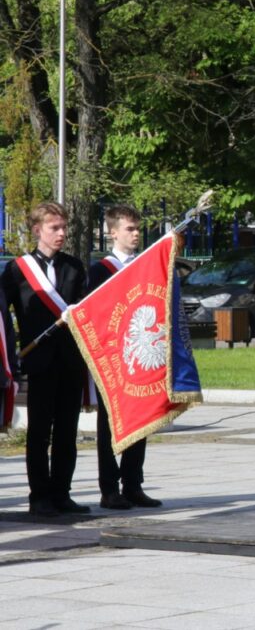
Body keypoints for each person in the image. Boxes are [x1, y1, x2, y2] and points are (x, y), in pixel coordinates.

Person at [2, 202, 88, 516]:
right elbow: (2, 313)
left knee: (67, 430)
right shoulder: (16, 270)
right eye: (55, 228)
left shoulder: (74, 267)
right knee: (39, 431)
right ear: (38, 230)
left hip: (70, 361)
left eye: (64, 227)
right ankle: (39, 496)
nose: (62, 233)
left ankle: (62, 493)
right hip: (38, 362)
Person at [90, 205, 162, 510]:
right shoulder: (99, 270)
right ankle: (109, 488)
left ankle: (133, 484)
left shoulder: (144, 265)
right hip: (112, 359)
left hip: (138, 356)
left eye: (137, 228)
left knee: (140, 418)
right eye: (129, 229)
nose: (135, 234)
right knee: (109, 425)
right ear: (113, 232)